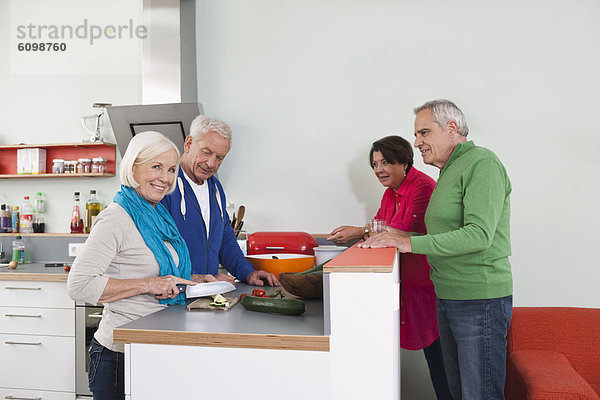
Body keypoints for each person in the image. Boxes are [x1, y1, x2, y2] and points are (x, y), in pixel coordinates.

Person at [361, 99, 513, 400]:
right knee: (456, 393)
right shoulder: (449, 171)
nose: (416, 143)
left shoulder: (482, 163)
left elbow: (479, 235)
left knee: (479, 394)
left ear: (452, 128)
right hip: (447, 296)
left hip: (478, 299)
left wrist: (407, 242)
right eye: (417, 135)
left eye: (424, 133)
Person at [67, 131, 197, 400]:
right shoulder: (116, 218)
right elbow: (79, 285)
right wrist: (148, 285)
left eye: (171, 169)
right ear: (133, 167)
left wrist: (195, 279)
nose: (165, 177)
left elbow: (150, 269)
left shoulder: (156, 214)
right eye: (156, 166)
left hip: (152, 348)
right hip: (118, 356)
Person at [328, 136, 452, 400]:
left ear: (404, 162)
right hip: (407, 283)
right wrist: (363, 233)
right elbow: (379, 227)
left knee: (441, 359)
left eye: (385, 162)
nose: (378, 169)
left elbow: (408, 230)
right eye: (374, 164)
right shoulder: (389, 194)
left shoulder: (422, 187)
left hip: (427, 284)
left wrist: (358, 232)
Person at [161, 115, 279, 286]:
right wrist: (194, 278)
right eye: (206, 152)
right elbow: (159, 248)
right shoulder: (166, 186)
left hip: (205, 294)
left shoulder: (215, 188)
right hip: (173, 294)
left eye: (219, 157)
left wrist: (248, 273)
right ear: (188, 144)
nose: (211, 163)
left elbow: (225, 238)